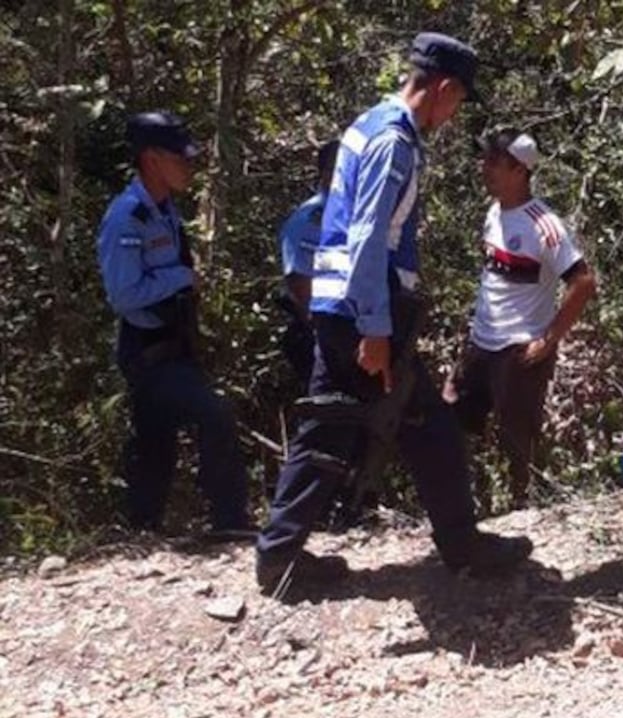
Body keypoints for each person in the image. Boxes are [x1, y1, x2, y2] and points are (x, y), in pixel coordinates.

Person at [256, 32, 533, 594]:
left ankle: (454, 543)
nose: (453, 115)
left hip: (344, 310)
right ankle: (283, 557)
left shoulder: (368, 124)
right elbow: (367, 239)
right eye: (457, 102)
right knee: (355, 430)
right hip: (362, 315)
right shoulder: (393, 142)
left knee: (409, 428)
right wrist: (376, 330)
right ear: (444, 88)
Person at [96, 111, 252, 537]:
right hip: (147, 347)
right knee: (213, 413)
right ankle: (230, 520)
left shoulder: (164, 212)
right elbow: (124, 295)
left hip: (174, 344)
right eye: (179, 158)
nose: (188, 166)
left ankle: (141, 528)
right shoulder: (128, 217)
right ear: (151, 159)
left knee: (155, 439)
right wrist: (182, 277)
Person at [443, 129, 597, 512]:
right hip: (482, 341)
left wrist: (550, 339)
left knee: (517, 436)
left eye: (495, 162)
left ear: (519, 170)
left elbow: (583, 281)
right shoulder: (494, 213)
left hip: (519, 348)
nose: (485, 168)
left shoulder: (543, 224)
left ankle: (520, 510)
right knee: (453, 418)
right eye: (485, 160)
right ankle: (465, 506)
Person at [277, 139, 339, 384]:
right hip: (316, 333)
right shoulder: (310, 220)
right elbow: (299, 280)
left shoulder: (348, 218)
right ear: (326, 174)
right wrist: (323, 328)